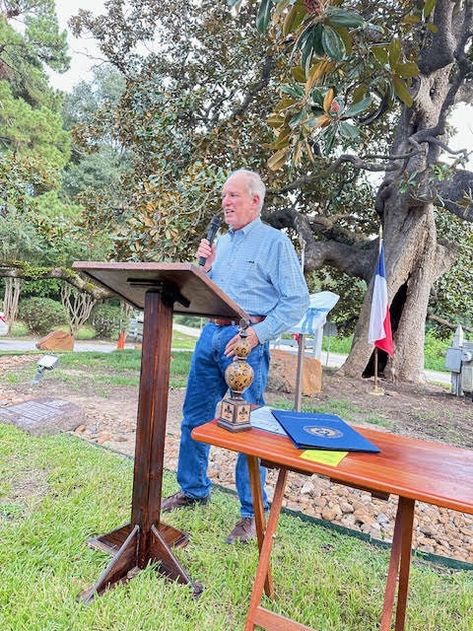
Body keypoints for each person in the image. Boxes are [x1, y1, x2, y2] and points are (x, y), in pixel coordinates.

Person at [162, 169, 309, 543]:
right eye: (224, 195)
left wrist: (257, 335)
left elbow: (296, 301)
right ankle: (194, 489)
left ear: (255, 201)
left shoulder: (275, 243)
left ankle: (249, 513)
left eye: (234, 196)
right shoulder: (221, 244)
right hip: (209, 335)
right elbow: (205, 290)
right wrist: (204, 270)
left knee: (248, 428)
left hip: (245, 340)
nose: (225, 202)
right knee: (194, 418)